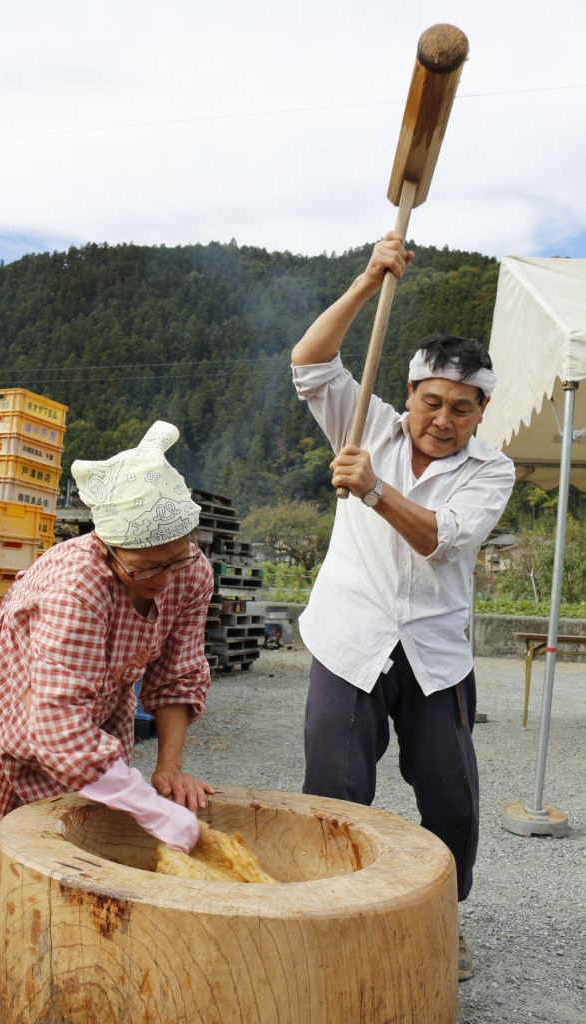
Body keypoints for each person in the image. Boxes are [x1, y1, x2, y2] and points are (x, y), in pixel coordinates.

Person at [290, 233, 515, 982]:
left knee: (450, 801)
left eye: (460, 408)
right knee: (334, 792)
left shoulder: (492, 469)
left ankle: (440, 923)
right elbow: (309, 361)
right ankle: (330, 917)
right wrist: (366, 277)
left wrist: (374, 490)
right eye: (430, 403)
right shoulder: (368, 424)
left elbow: (443, 542)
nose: (441, 421)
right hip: (348, 637)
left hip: (434, 653)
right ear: (410, 396)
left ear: (481, 412)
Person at [0, 420, 215, 937]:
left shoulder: (190, 570)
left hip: (96, 707)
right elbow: (57, 726)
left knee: (75, 858)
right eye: (148, 568)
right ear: (108, 546)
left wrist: (169, 767)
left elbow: (178, 670)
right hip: (25, 705)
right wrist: (146, 807)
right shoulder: (75, 586)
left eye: (176, 559)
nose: (164, 580)